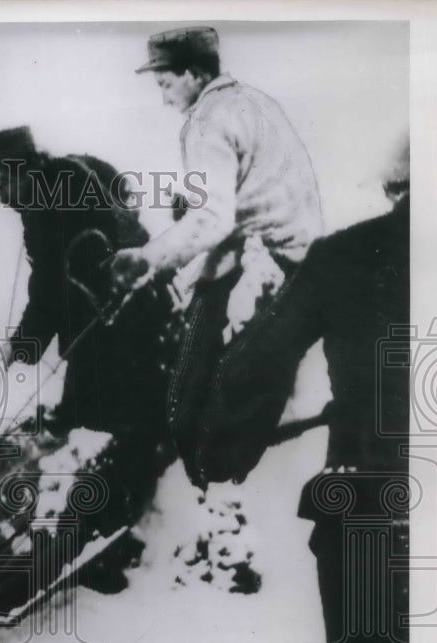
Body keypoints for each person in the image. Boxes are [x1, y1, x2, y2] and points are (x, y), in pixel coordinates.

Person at [190, 141, 411, 643]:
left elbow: (254, 367)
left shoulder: (344, 255)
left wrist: (219, 455)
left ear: (394, 185)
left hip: (371, 504)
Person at [100, 27, 324, 485]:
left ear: (194, 73)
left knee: (186, 403)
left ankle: (205, 497)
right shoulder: (254, 103)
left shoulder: (208, 121)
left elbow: (213, 219)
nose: (163, 99)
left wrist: (146, 258)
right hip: (296, 261)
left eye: (165, 84)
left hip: (259, 265)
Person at [0, 126, 182, 527]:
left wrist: (21, 347)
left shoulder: (52, 201)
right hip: (140, 316)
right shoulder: (71, 177)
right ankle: (117, 523)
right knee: (104, 424)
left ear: (19, 169)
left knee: (98, 428)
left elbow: (50, 289)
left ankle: (107, 533)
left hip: (113, 334)